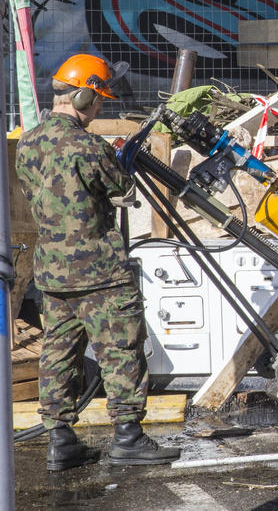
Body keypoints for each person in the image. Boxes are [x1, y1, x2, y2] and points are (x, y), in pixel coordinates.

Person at [15, 54, 180, 469]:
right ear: (84, 96)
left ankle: (61, 441)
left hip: (52, 272)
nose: (102, 107)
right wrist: (118, 161)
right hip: (100, 272)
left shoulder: (28, 144)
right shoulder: (89, 147)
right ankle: (128, 436)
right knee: (121, 352)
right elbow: (121, 188)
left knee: (58, 354)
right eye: (100, 98)